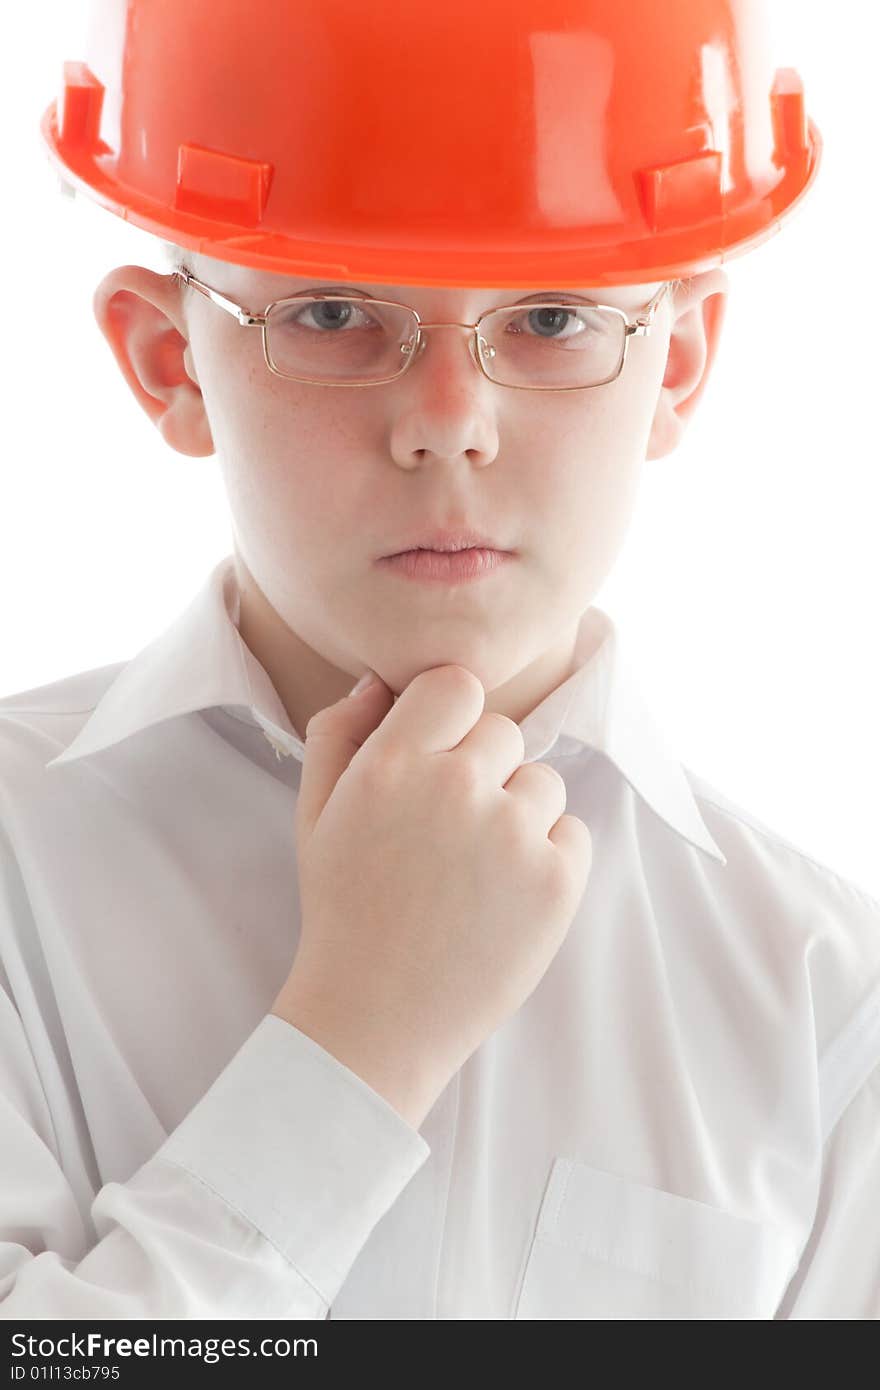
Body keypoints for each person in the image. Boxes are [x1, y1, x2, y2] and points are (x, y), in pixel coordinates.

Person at [1, 0, 877, 1320]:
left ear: (680, 363)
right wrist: (357, 1040)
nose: (449, 426)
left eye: (550, 320)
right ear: (168, 359)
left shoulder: (821, 1000)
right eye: (337, 310)